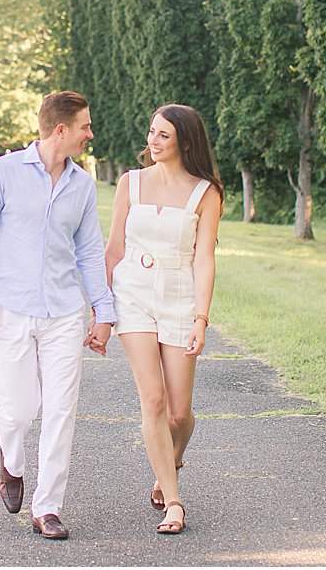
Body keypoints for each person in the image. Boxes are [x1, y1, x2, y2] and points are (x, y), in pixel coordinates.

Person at [0, 91, 116, 541]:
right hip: (8, 309)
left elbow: (89, 253)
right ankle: (11, 464)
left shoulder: (82, 185)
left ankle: (47, 507)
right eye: (84, 126)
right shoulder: (2, 172)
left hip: (64, 314)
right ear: (61, 130)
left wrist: (102, 312)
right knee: (18, 411)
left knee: (61, 410)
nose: (90, 134)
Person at [105, 103, 224, 535]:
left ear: (185, 143)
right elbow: (114, 248)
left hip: (178, 297)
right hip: (132, 293)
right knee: (152, 400)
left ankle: (168, 463)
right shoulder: (130, 183)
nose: (152, 143)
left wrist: (201, 318)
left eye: (163, 136)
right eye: (151, 133)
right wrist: (102, 310)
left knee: (180, 413)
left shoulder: (205, 193)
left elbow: (205, 260)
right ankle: (174, 501)